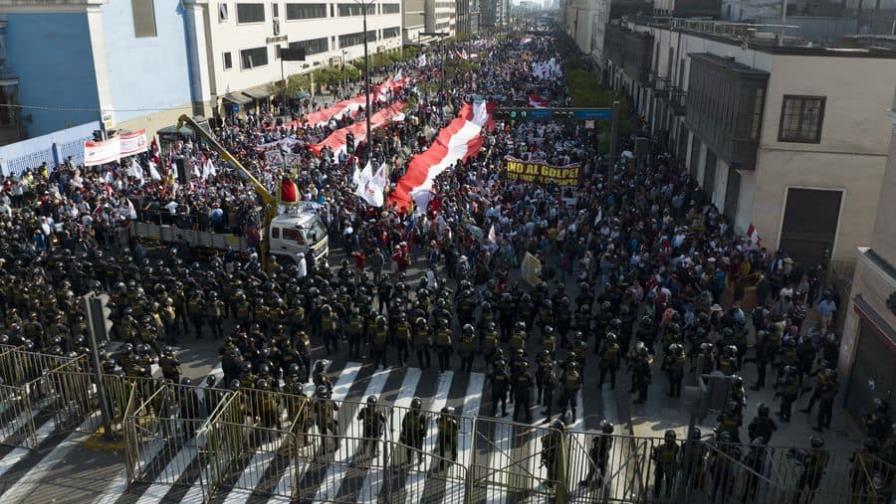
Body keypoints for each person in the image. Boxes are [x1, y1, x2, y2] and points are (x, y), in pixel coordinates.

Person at [793, 436, 829, 504]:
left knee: (810, 489)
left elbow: (822, 464)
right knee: (801, 487)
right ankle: (796, 500)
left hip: (815, 473)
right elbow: (807, 457)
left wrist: (812, 462)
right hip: (810, 472)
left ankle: (805, 501)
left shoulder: (824, 453)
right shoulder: (816, 451)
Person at [580, 420, 614, 488]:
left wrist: (599, 457)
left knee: (594, 469)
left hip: (600, 456)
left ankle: (588, 482)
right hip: (604, 456)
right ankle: (599, 483)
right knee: (602, 470)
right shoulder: (609, 437)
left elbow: (602, 448)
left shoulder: (605, 438)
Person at [651, 430, 679, 499]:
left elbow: (655, 457)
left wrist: (654, 454)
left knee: (660, 480)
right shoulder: (676, 447)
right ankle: (666, 494)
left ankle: (657, 494)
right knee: (668, 481)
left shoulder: (662, 447)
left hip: (664, 465)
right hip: (667, 465)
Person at [400, 397, 427, 466]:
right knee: (415, 447)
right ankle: (416, 459)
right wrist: (424, 432)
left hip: (414, 433)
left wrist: (404, 432)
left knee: (413, 447)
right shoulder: (420, 415)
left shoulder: (409, 414)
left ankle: (414, 460)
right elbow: (404, 424)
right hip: (414, 433)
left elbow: (403, 424)